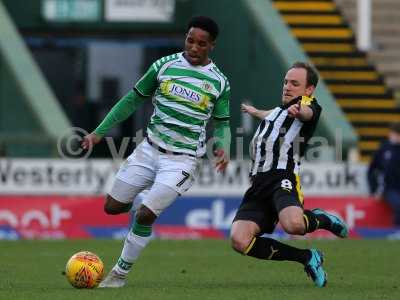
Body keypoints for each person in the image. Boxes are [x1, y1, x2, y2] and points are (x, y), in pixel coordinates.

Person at [81, 16, 231, 288]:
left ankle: (119, 274)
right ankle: (140, 198)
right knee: (112, 207)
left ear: (212, 46)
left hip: (183, 160)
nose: (194, 47)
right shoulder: (164, 66)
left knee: (146, 214)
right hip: (148, 150)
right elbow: (132, 100)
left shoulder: (219, 82)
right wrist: (99, 132)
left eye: (201, 43)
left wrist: (223, 146)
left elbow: (222, 124)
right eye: (190, 40)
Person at [230, 62, 348, 288]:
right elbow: (273, 115)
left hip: (282, 177)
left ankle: (321, 218)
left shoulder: (308, 104)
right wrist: (257, 113)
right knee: (239, 240)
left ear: (308, 89)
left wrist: (300, 110)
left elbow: (308, 113)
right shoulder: (278, 111)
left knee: (293, 225)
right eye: (285, 82)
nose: (287, 87)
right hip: (257, 184)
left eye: (295, 83)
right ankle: (306, 257)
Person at [368, 122, 400, 226]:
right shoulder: (385, 149)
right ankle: (397, 231)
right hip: (390, 189)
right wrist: (374, 189)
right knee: (398, 205)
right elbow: (372, 169)